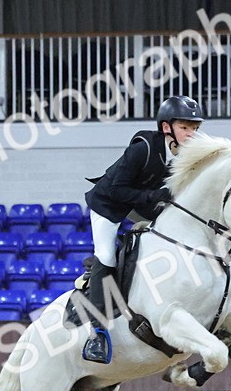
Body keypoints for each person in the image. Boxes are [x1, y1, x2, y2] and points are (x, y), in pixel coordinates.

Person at [79, 95, 204, 363]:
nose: (192, 134)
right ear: (166, 127)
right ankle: (97, 334)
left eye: (195, 128)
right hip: (108, 203)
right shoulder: (143, 147)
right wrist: (152, 197)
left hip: (143, 202)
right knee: (107, 255)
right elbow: (117, 189)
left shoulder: (187, 154)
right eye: (185, 127)